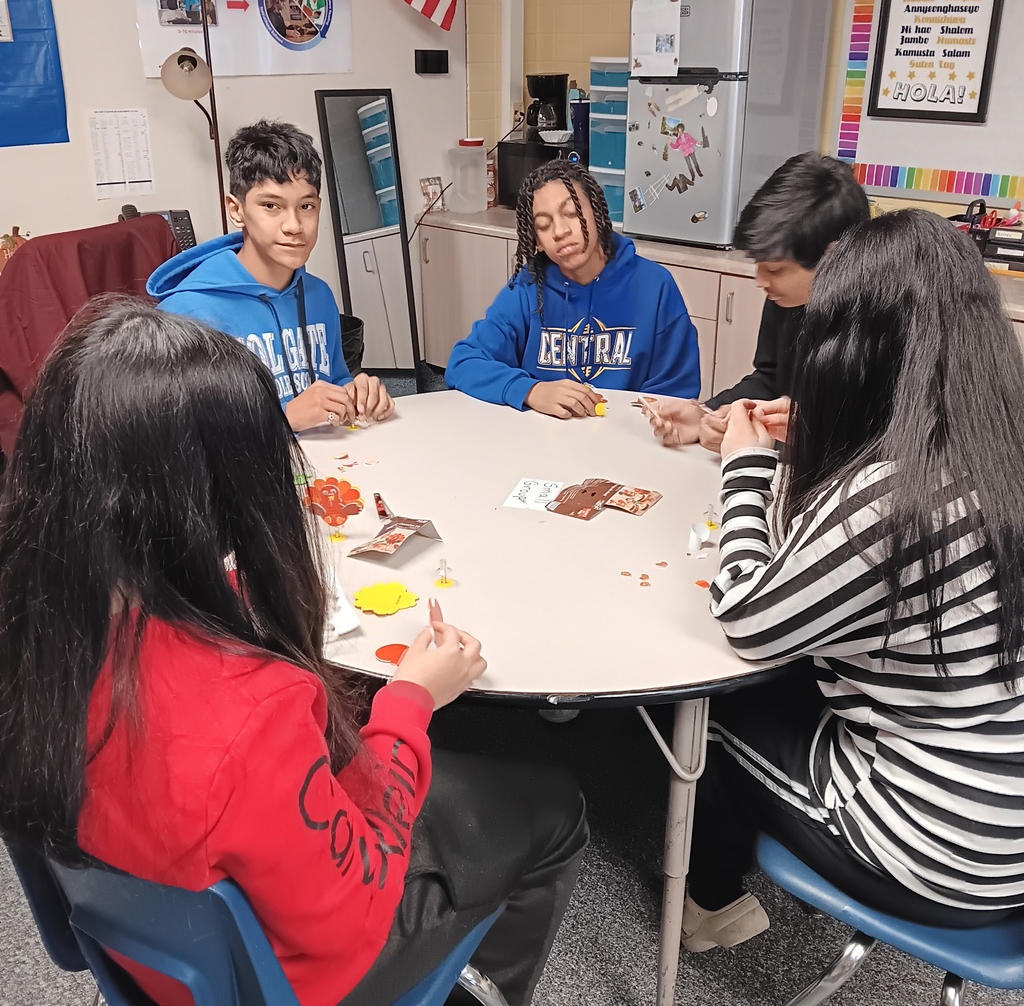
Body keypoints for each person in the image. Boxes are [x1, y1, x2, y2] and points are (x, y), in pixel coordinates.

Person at [0, 299, 589, 1006]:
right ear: (225, 495)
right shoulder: (252, 711)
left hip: (150, 957)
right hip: (293, 978)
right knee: (555, 806)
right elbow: (361, 906)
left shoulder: (31, 626)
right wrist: (409, 704)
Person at [680, 209, 1024, 953]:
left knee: (710, 708)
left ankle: (710, 906)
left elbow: (747, 614)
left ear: (863, 349)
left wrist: (747, 464)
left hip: (947, 848)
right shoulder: (997, 442)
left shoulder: (894, 496)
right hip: (1012, 821)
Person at [149, 120, 394, 432]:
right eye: (271, 206)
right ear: (236, 210)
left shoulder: (318, 295)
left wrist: (356, 394)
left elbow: (334, 380)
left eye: (306, 206)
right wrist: (284, 419)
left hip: (325, 468)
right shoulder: (186, 315)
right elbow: (174, 437)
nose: (293, 225)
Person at [648, 152, 869, 451]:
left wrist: (782, 439)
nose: (761, 280)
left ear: (834, 257)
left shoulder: (879, 321)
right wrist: (708, 414)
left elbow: (874, 442)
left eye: (776, 269)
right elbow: (769, 379)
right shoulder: (785, 298)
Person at [446, 161, 701, 418]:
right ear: (537, 242)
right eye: (544, 226)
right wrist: (531, 390)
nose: (560, 231)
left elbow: (677, 391)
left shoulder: (655, 286)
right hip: (545, 438)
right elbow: (463, 363)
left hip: (629, 438)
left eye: (571, 213)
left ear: (598, 213)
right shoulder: (527, 289)